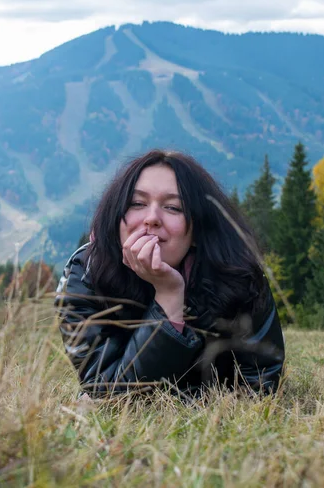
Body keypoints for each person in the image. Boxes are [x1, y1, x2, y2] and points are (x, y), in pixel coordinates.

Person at [55, 149, 285, 398]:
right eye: (137, 203)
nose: (152, 218)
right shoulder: (86, 273)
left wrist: (170, 292)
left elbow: (262, 386)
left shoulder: (238, 274)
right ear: (115, 216)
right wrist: (168, 300)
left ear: (198, 229)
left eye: (173, 207)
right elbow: (106, 392)